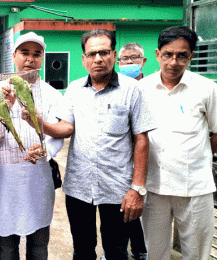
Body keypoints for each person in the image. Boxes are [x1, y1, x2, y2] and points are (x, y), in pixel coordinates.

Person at [50, 29, 156, 260]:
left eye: (103, 52)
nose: (98, 58)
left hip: (118, 189)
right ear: (84, 59)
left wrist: (137, 189)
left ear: (113, 54)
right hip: (79, 187)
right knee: (83, 250)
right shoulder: (75, 89)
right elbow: (66, 128)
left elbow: (141, 140)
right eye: (92, 54)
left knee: (117, 252)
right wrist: (38, 123)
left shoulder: (132, 90)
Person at [0, 32, 67, 260]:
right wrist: (7, 110)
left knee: (39, 247)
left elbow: (57, 133)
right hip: (5, 180)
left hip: (37, 178)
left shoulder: (51, 94)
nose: (30, 59)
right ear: (14, 56)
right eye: (24, 53)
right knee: (7, 249)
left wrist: (45, 150)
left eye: (36, 54)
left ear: (42, 58)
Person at [140, 26, 217, 260]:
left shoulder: (207, 89)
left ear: (191, 55)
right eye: (168, 54)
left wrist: (196, 156)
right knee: (155, 253)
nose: (174, 62)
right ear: (157, 54)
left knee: (196, 254)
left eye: (182, 55)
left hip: (195, 188)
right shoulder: (141, 90)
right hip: (154, 188)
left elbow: (216, 132)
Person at [115, 42, 148, 260]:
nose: (129, 62)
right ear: (118, 63)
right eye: (124, 59)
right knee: (124, 210)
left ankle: (141, 250)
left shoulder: (152, 88)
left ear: (143, 61)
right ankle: (123, 250)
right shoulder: (115, 88)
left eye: (134, 58)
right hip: (122, 161)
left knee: (143, 211)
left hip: (147, 158)